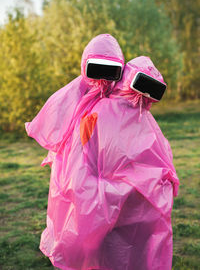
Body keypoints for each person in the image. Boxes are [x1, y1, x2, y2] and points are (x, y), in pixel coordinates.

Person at [46, 56, 179, 269]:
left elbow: (158, 158)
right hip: (117, 203)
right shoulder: (103, 115)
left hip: (121, 204)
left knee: (116, 253)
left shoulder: (133, 116)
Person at [25, 33, 125, 269]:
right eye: (96, 68)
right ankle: (84, 252)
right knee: (81, 211)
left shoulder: (119, 98)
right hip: (80, 162)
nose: (101, 77)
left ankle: (99, 253)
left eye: (109, 69)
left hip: (110, 162)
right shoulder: (76, 94)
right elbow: (64, 126)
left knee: (106, 217)